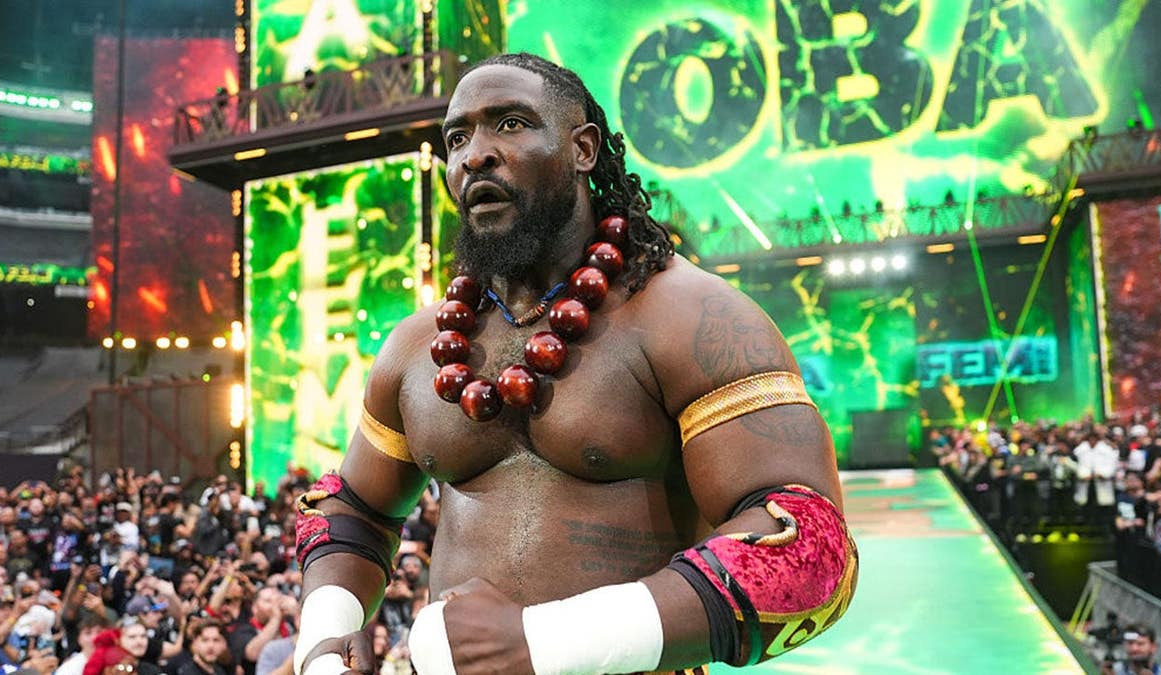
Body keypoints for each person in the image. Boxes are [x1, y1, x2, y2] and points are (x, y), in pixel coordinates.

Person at [294, 52, 857, 675]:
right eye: (458, 137)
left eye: (510, 123)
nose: (475, 153)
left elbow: (811, 546)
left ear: (583, 148)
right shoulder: (415, 347)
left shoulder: (692, 319)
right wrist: (327, 632)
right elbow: (355, 508)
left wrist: (545, 642)